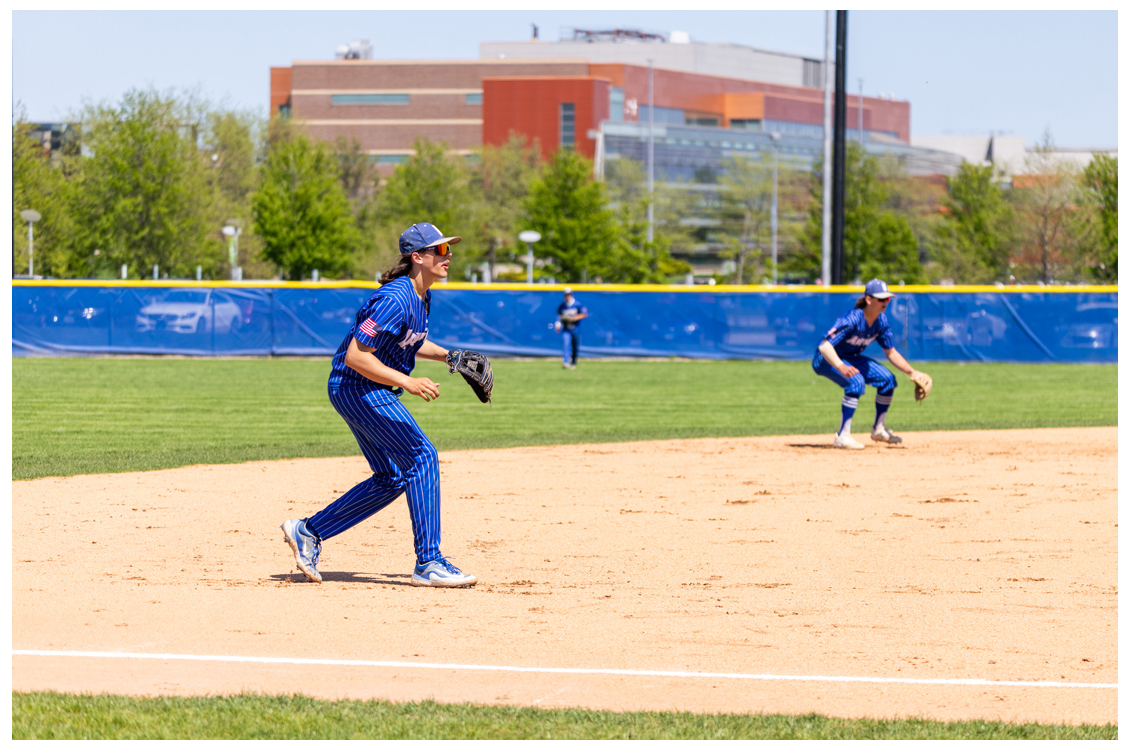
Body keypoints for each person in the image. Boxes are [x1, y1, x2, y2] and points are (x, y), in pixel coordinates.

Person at [280, 222, 477, 587]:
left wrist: (453, 357)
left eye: (448, 249)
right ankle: (429, 562)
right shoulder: (395, 298)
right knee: (422, 456)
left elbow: (411, 341)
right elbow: (357, 355)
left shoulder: (421, 295)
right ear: (417, 257)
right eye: (441, 250)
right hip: (358, 386)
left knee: (392, 477)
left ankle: (308, 531)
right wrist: (408, 381)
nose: (449, 257)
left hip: (365, 388)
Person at [812, 278, 927, 449]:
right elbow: (824, 346)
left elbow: (891, 352)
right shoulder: (852, 319)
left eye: (887, 299)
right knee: (855, 381)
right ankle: (843, 436)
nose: (885, 302)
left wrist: (912, 372)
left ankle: (878, 429)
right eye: (881, 299)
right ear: (868, 299)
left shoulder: (881, 322)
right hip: (827, 358)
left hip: (850, 358)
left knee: (887, 380)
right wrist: (841, 366)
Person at [556, 287, 588, 369]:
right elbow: (559, 316)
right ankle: (566, 362)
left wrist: (574, 318)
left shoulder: (577, 304)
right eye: (566, 295)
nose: (567, 296)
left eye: (569, 294)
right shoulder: (562, 305)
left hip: (576, 328)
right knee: (566, 344)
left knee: (575, 346)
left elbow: (584, 314)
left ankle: (573, 362)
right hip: (566, 328)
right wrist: (558, 323)